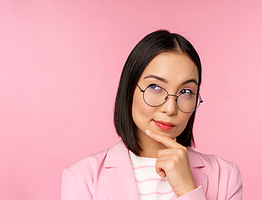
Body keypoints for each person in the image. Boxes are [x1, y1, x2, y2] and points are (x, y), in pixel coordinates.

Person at [61, 30, 243, 200]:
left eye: (186, 92)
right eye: (155, 87)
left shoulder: (225, 176)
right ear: (130, 89)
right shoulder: (81, 177)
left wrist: (187, 189)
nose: (170, 108)